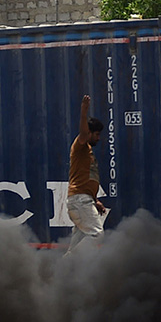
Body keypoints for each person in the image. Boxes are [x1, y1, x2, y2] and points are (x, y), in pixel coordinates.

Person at [67, 94, 107, 252]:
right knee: (97, 234)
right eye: (96, 134)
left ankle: (63, 270)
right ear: (89, 133)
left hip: (83, 200)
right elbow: (83, 133)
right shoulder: (80, 144)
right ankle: (73, 263)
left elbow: (86, 178)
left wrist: (94, 200)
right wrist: (84, 111)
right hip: (80, 201)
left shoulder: (87, 151)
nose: (98, 138)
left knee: (79, 242)